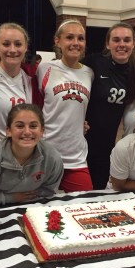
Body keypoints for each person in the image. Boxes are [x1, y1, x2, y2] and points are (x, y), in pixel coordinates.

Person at [0, 103, 64, 204]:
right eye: (20, 126)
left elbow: (49, 191)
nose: (27, 132)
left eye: (33, 126)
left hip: (35, 207)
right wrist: (9, 198)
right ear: (8, 131)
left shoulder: (53, 158)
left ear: (42, 131)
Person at [36, 19, 94, 192]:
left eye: (80, 38)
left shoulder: (89, 73)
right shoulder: (44, 68)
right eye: (69, 37)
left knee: (83, 204)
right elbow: (35, 104)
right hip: (46, 153)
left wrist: (81, 122)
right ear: (57, 41)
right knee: (39, 209)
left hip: (76, 155)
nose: (75, 43)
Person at [83, 22, 135, 189]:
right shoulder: (94, 62)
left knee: (98, 190)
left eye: (127, 40)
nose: (121, 44)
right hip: (81, 140)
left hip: (107, 145)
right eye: (116, 40)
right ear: (108, 44)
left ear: (133, 44)